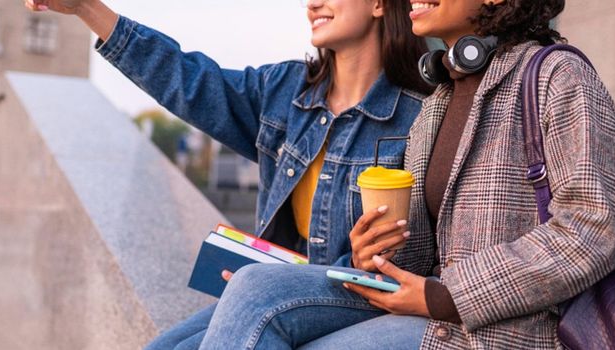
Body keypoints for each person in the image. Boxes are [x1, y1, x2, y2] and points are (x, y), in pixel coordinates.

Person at [201, 0, 615, 348]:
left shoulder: (558, 75)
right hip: (435, 315)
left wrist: (445, 296)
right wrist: (371, 252)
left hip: (510, 331)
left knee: (267, 308)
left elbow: (593, 232)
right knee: (253, 286)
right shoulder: (440, 99)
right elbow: (426, 253)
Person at [23, 0, 433, 348]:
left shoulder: (418, 114)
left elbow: (429, 246)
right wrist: (86, 8)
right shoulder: (285, 90)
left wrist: (358, 259)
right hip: (281, 284)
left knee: (253, 300)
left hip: (358, 290)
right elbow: (190, 82)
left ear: (380, 4)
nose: (312, 4)